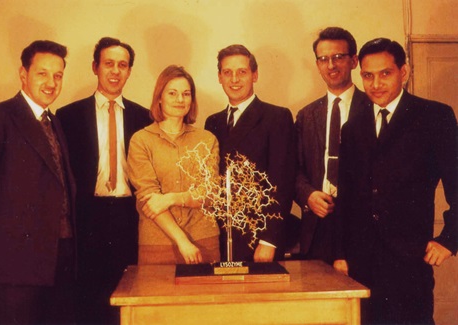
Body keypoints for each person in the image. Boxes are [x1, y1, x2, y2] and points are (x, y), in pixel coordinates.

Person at [337, 38, 457, 325]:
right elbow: (347, 198)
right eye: (368, 75)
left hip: (410, 262)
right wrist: (341, 254)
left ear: (404, 72)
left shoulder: (434, 117)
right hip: (361, 264)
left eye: (385, 73)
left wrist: (449, 239)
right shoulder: (352, 128)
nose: (376, 83)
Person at [0, 40, 76, 324]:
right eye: (42, 73)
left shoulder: (54, 121)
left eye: (58, 75)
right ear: (23, 74)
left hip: (57, 255)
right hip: (14, 261)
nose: (51, 82)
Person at [56, 37, 151, 325]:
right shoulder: (68, 115)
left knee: (126, 293)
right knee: (88, 296)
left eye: (122, 65)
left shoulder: (143, 116)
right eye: (108, 63)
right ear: (95, 67)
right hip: (86, 216)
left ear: (129, 71)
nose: (115, 71)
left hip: (129, 215)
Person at [205, 44, 296, 262]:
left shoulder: (277, 118)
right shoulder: (213, 122)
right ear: (219, 77)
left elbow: (282, 185)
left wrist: (269, 241)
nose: (234, 79)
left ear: (254, 75)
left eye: (242, 72)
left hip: (258, 238)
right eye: (227, 72)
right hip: (219, 235)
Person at [127, 65, 220, 265]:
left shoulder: (207, 139)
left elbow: (211, 192)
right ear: (159, 97)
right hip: (157, 243)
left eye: (186, 94)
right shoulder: (141, 140)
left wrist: (171, 198)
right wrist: (182, 241)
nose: (180, 99)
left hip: (205, 241)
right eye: (172, 93)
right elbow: (149, 199)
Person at [295, 27, 369, 268]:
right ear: (317, 64)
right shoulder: (306, 115)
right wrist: (307, 195)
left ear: (354, 60)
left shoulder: (372, 108)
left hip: (362, 227)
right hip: (317, 226)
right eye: (324, 59)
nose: (331, 65)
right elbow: (293, 169)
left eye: (338, 57)